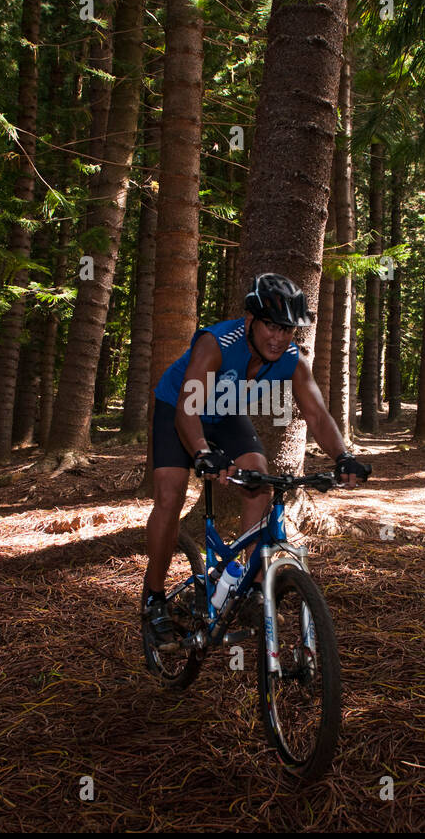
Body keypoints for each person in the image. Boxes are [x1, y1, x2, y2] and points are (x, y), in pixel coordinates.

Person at [143, 272, 371, 650]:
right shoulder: (217, 343)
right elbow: (188, 410)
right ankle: (153, 597)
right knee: (170, 496)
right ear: (250, 320)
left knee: (259, 478)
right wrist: (201, 452)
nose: (280, 338)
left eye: (288, 330)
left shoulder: (291, 359)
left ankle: (246, 587)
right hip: (179, 408)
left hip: (226, 412)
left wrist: (344, 456)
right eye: (271, 326)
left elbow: (316, 414)